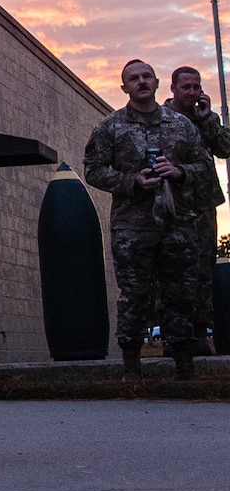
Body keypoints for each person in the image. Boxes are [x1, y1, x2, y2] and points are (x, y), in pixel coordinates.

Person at [84, 60, 210, 378]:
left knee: (181, 292)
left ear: (156, 83)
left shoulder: (181, 125)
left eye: (146, 77)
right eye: (133, 78)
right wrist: (132, 181)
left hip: (177, 222)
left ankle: (183, 363)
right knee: (134, 294)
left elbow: (204, 166)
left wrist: (179, 172)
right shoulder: (109, 127)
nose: (141, 82)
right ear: (124, 87)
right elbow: (93, 170)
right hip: (132, 225)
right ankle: (131, 364)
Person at [165, 66, 228, 354]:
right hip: (172, 204)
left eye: (196, 87)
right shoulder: (161, 118)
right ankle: (175, 336)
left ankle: (200, 334)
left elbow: (225, 149)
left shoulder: (207, 118)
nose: (192, 92)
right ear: (173, 88)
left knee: (203, 271)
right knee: (173, 270)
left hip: (202, 206)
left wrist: (207, 122)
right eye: (186, 87)